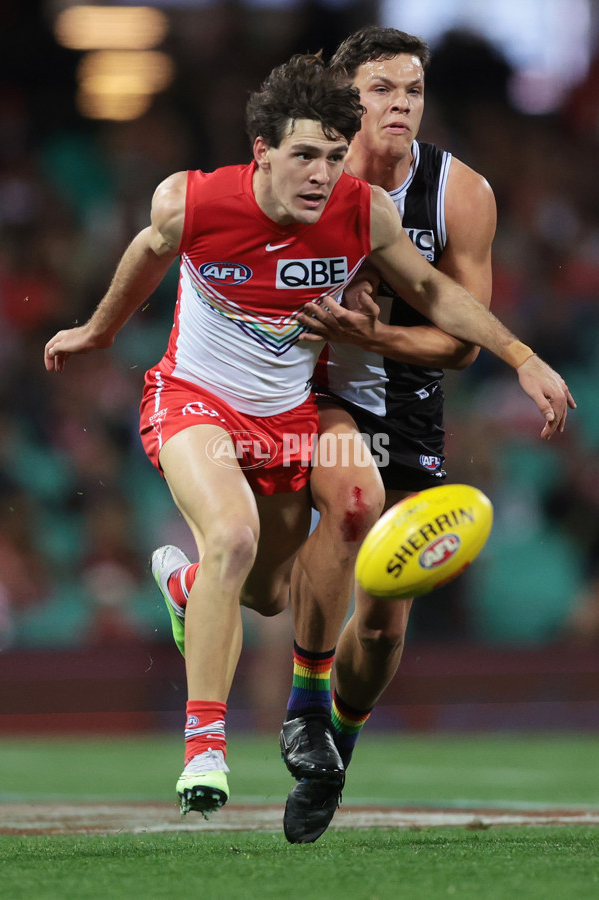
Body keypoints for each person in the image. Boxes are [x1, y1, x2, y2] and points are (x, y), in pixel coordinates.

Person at [44, 51, 572, 824]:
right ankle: (205, 750)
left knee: (271, 585)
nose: (322, 173)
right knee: (230, 536)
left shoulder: (363, 211)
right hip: (197, 405)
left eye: (332, 154)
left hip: (292, 424)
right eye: (303, 155)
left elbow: (432, 292)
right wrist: (96, 329)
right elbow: (147, 253)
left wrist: (521, 357)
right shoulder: (192, 200)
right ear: (262, 152)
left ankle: (191, 594)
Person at [279, 26, 574, 844]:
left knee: (382, 623)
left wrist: (375, 336)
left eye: (411, 89)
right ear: (346, 99)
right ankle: (303, 703)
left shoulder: (460, 194)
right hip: (307, 392)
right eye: (381, 89)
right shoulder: (305, 174)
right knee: (347, 507)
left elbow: (457, 345)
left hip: (406, 404)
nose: (400, 103)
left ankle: (337, 739)